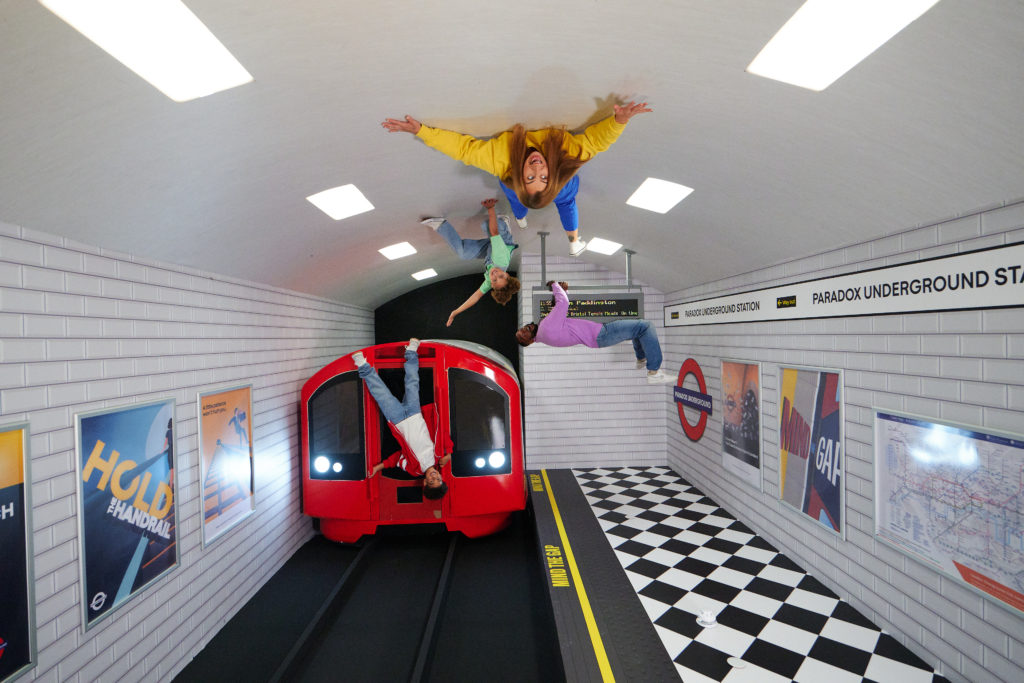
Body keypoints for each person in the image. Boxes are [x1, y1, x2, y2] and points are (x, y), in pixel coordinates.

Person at [382, 101, 652, 256]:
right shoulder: (564, 156)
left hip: (541, 191)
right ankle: (542, 224)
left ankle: (572, 240)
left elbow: (462, 149)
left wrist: (422, 131)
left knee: (545, 206)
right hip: (556, 188)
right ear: (552, 175)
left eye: (531, 175)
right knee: (542, 205)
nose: (537, 166)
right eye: (541, 175)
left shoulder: (501, 161)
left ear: (518, 178)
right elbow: (596, 141)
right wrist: (619, 120)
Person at [516, 281, 675, 384]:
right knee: (645, 326)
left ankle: (641, 358)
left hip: (599, 336)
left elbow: (558, 310)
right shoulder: (545, 329)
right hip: (602, 334)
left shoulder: (544, 334)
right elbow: (563, 303)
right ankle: (654, 371)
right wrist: (554, 285)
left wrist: (560, 290)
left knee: (636, 331)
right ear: (530, 342)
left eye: (521, 330)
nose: (523, 330)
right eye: (523, 336)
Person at [354, 339, 450, 499]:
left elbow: (397, 458)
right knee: (412, 382)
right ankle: (411, 351)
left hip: (398, 421)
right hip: (415, 413)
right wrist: (449, 454)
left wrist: (378, 468)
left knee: (381, 393)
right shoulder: (439, 457)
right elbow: (445, 437)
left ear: (425, 483)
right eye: (438, 479)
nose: (434, 477)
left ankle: (362, 366)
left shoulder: (413, 470)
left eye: (432, 481)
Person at [423, 198, 521, 327]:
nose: (495, 274)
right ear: (507, 275)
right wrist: (491, 208)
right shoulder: (500, 259)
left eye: (495, 280)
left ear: (492, 284)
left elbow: (475, 297)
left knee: (463, 253)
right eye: (501, 276)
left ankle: (441, 225)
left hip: (490, 249)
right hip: (502, 241)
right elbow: (494, 232)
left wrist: (455, 312)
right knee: (487, 225)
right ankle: (504, 223)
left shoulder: (489, 281)